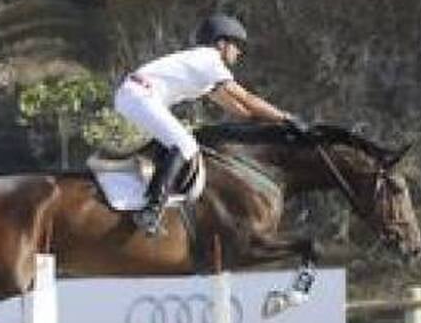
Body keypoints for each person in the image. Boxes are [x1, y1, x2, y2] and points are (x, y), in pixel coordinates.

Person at [113, 13, 306, 236]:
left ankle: (152, 200)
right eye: (235, 45)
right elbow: (246, 98)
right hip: (139, 95)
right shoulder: (209, 60)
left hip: (135, 95)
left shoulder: (204, 69)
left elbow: (241, 110)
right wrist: (286, 117)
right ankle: (151, 210)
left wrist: (273, 124)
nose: (239, 52)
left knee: (179, 143)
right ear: (221, 44)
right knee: (186, 144)